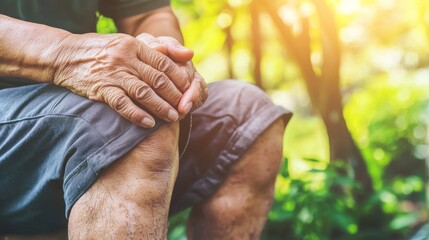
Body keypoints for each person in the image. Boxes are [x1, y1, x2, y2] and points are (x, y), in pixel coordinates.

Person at [0, 0, 291, 239]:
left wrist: (162, 58)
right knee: (127, 122)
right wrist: (65, 55)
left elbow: (148, 13)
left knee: (246, 115)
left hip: (72, 102)